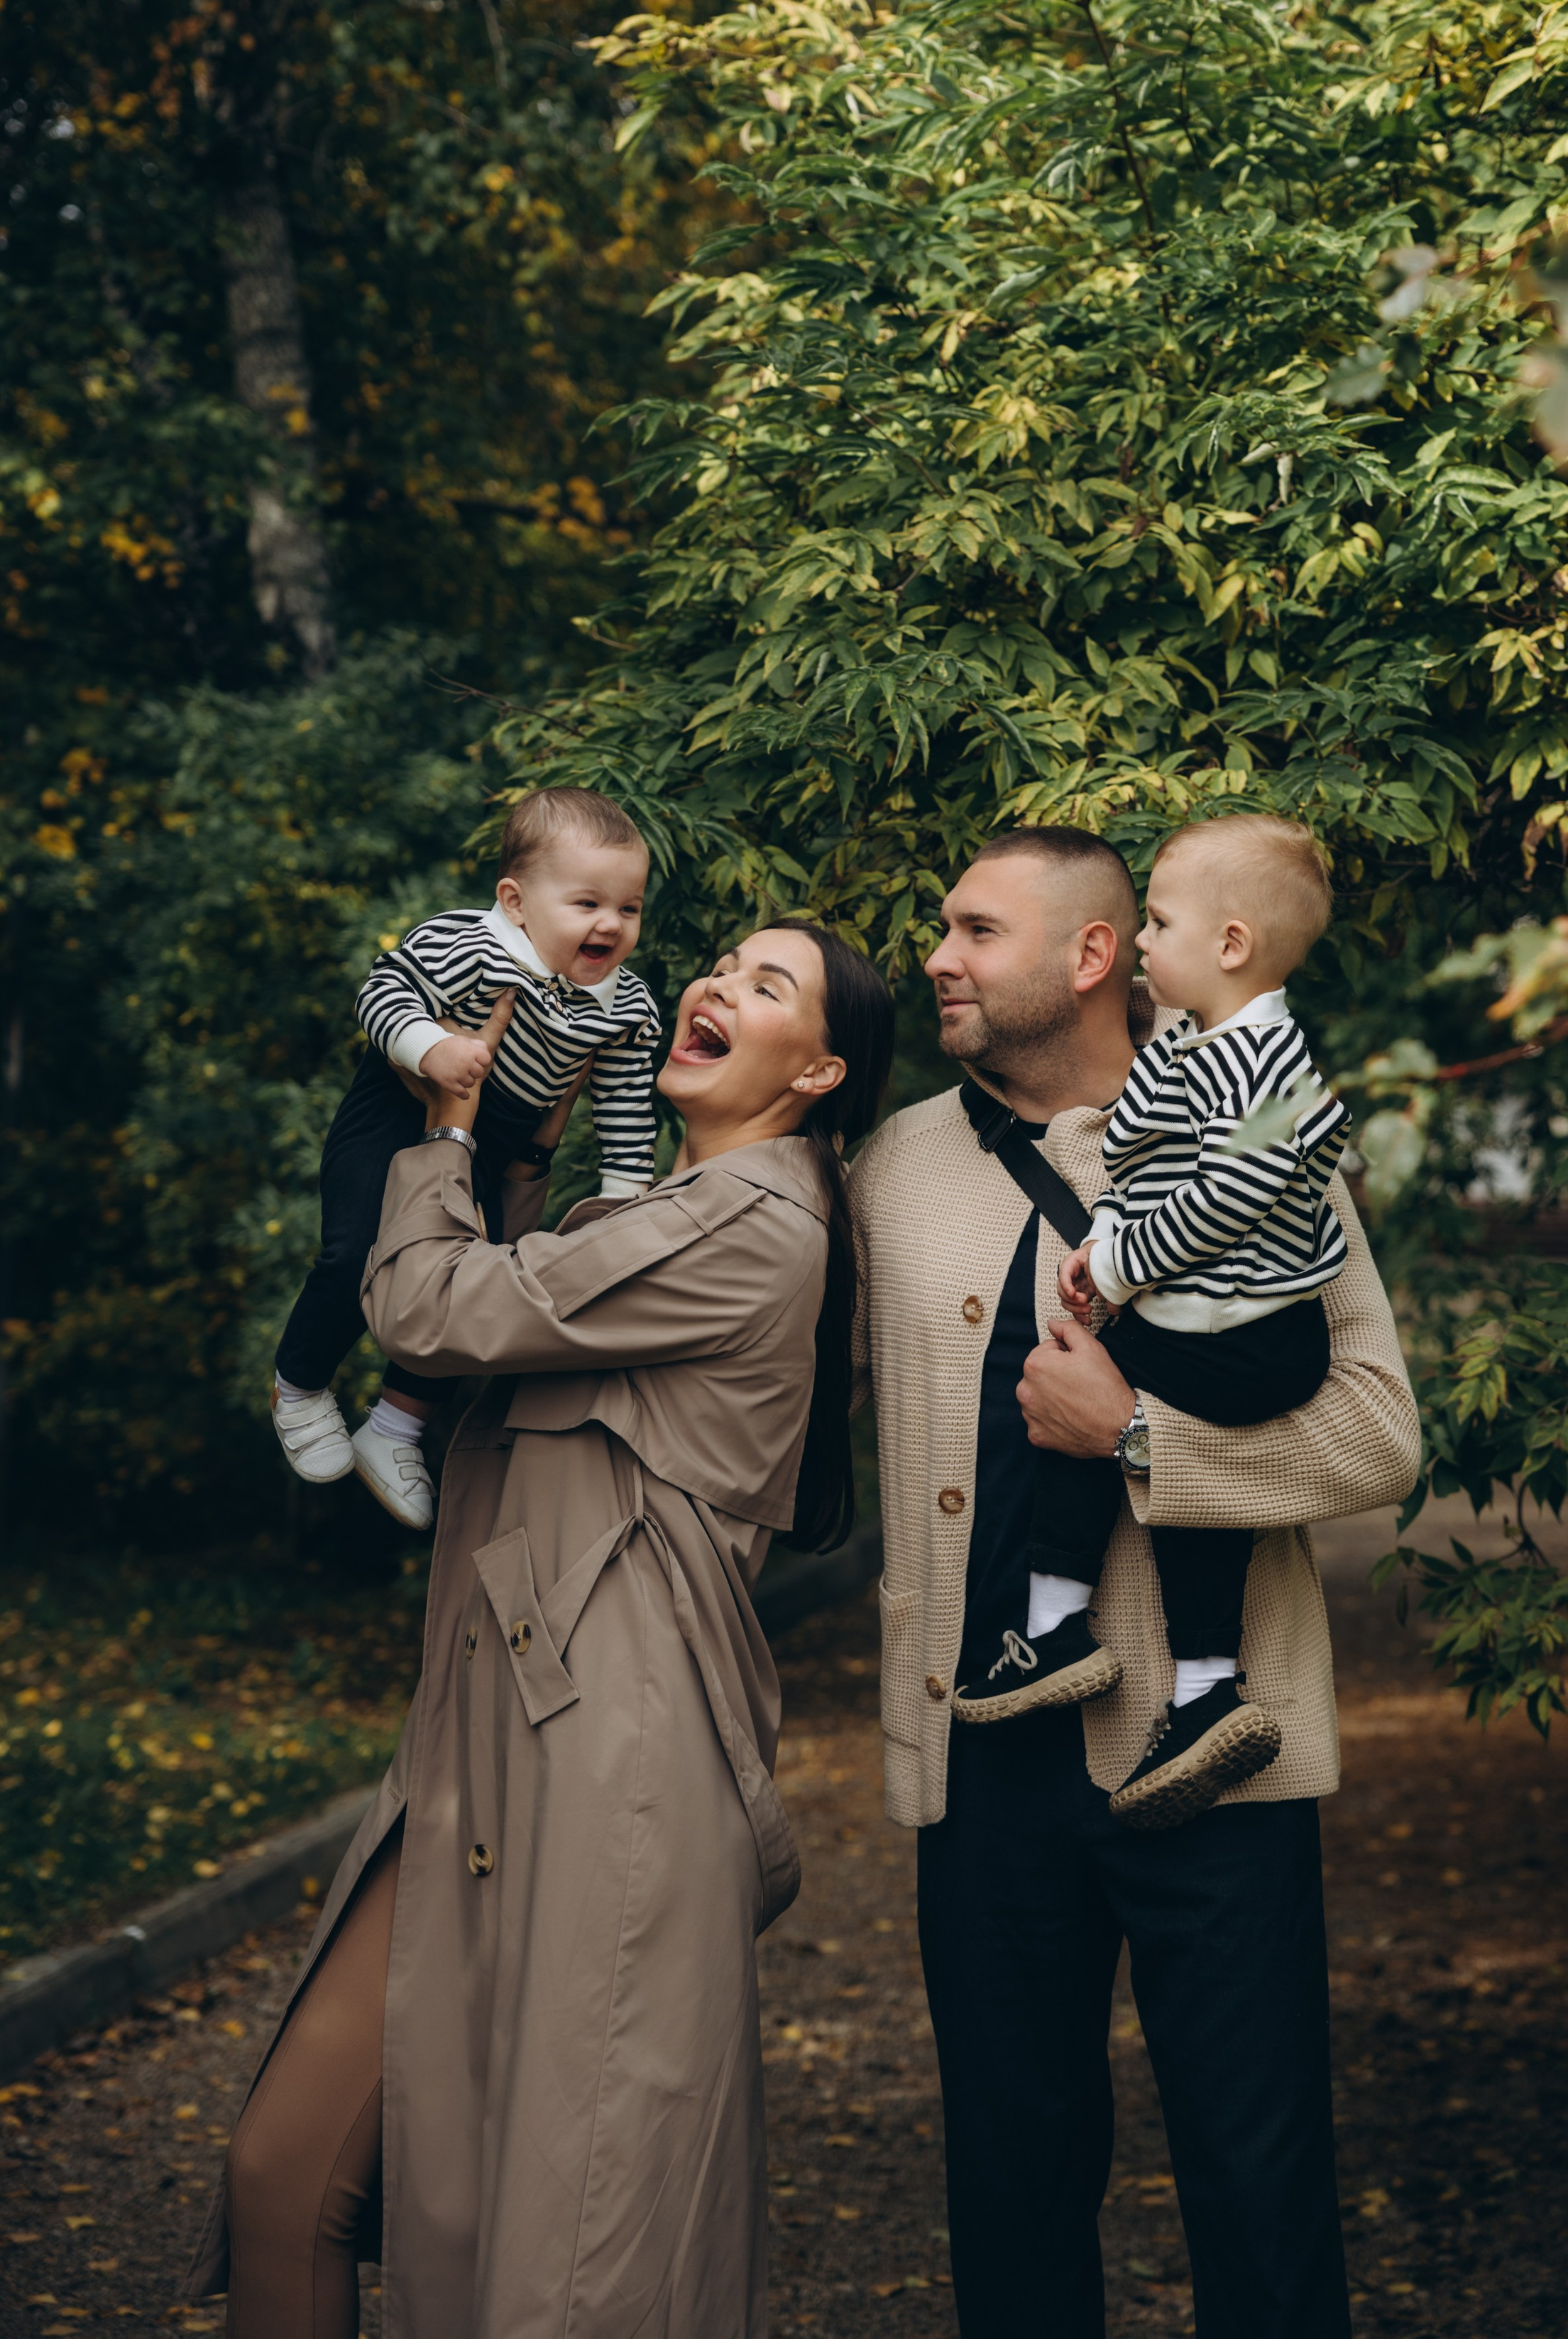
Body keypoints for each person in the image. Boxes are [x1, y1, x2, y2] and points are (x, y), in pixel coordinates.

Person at [187, 919, 895, 2339]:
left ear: (816, 1072)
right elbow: (511, 1326)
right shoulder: (651, 1218)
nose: (713, 986)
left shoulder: (756, 1225)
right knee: (282, 2175)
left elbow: (436, 1310)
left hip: (613, 1762)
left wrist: (445, 1127)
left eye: (767, 988)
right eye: (722, 966)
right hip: (489, 1739)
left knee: (571, 2266)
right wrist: (516, 1161)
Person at [848, 825, 1420, 2339]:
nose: (937, 959)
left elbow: (1375, 1431)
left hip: (1211, 1771)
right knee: (1012, 2189)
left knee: (1257, 2181)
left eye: (974, 932)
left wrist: (1145, 1445)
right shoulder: (887, 1168)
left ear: (1091, 955)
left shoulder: (1258, 1139)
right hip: (981, 1763)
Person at [951, 814, 1352, 1834]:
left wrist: (1123, 1269)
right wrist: (1114, 1240)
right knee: (1117, 1401)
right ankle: (1188, 1680)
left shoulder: (1266, 1059)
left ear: (1230, 946)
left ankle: (1076, 1634)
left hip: (1255, 1333)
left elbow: (1246, 1183)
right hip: (1217, 1318)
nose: (1142, 943)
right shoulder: (1205, 1050)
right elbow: (1151, 1156)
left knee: (1100, 1402)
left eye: (1160, 924)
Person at [269, 784, 660, 1530]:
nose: (610, 923)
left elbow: (625, 1101)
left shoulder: (628, 1006)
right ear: (515, 901)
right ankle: (299, 1384)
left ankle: (395, 1427)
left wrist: (623, 1197)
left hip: (497, 1140)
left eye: (629, 908)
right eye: (587, 904)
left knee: (470, 1291)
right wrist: (434, 1047)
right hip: (396, 1110)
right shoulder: (469, 944)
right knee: (355, 1253)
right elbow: (381, 993)